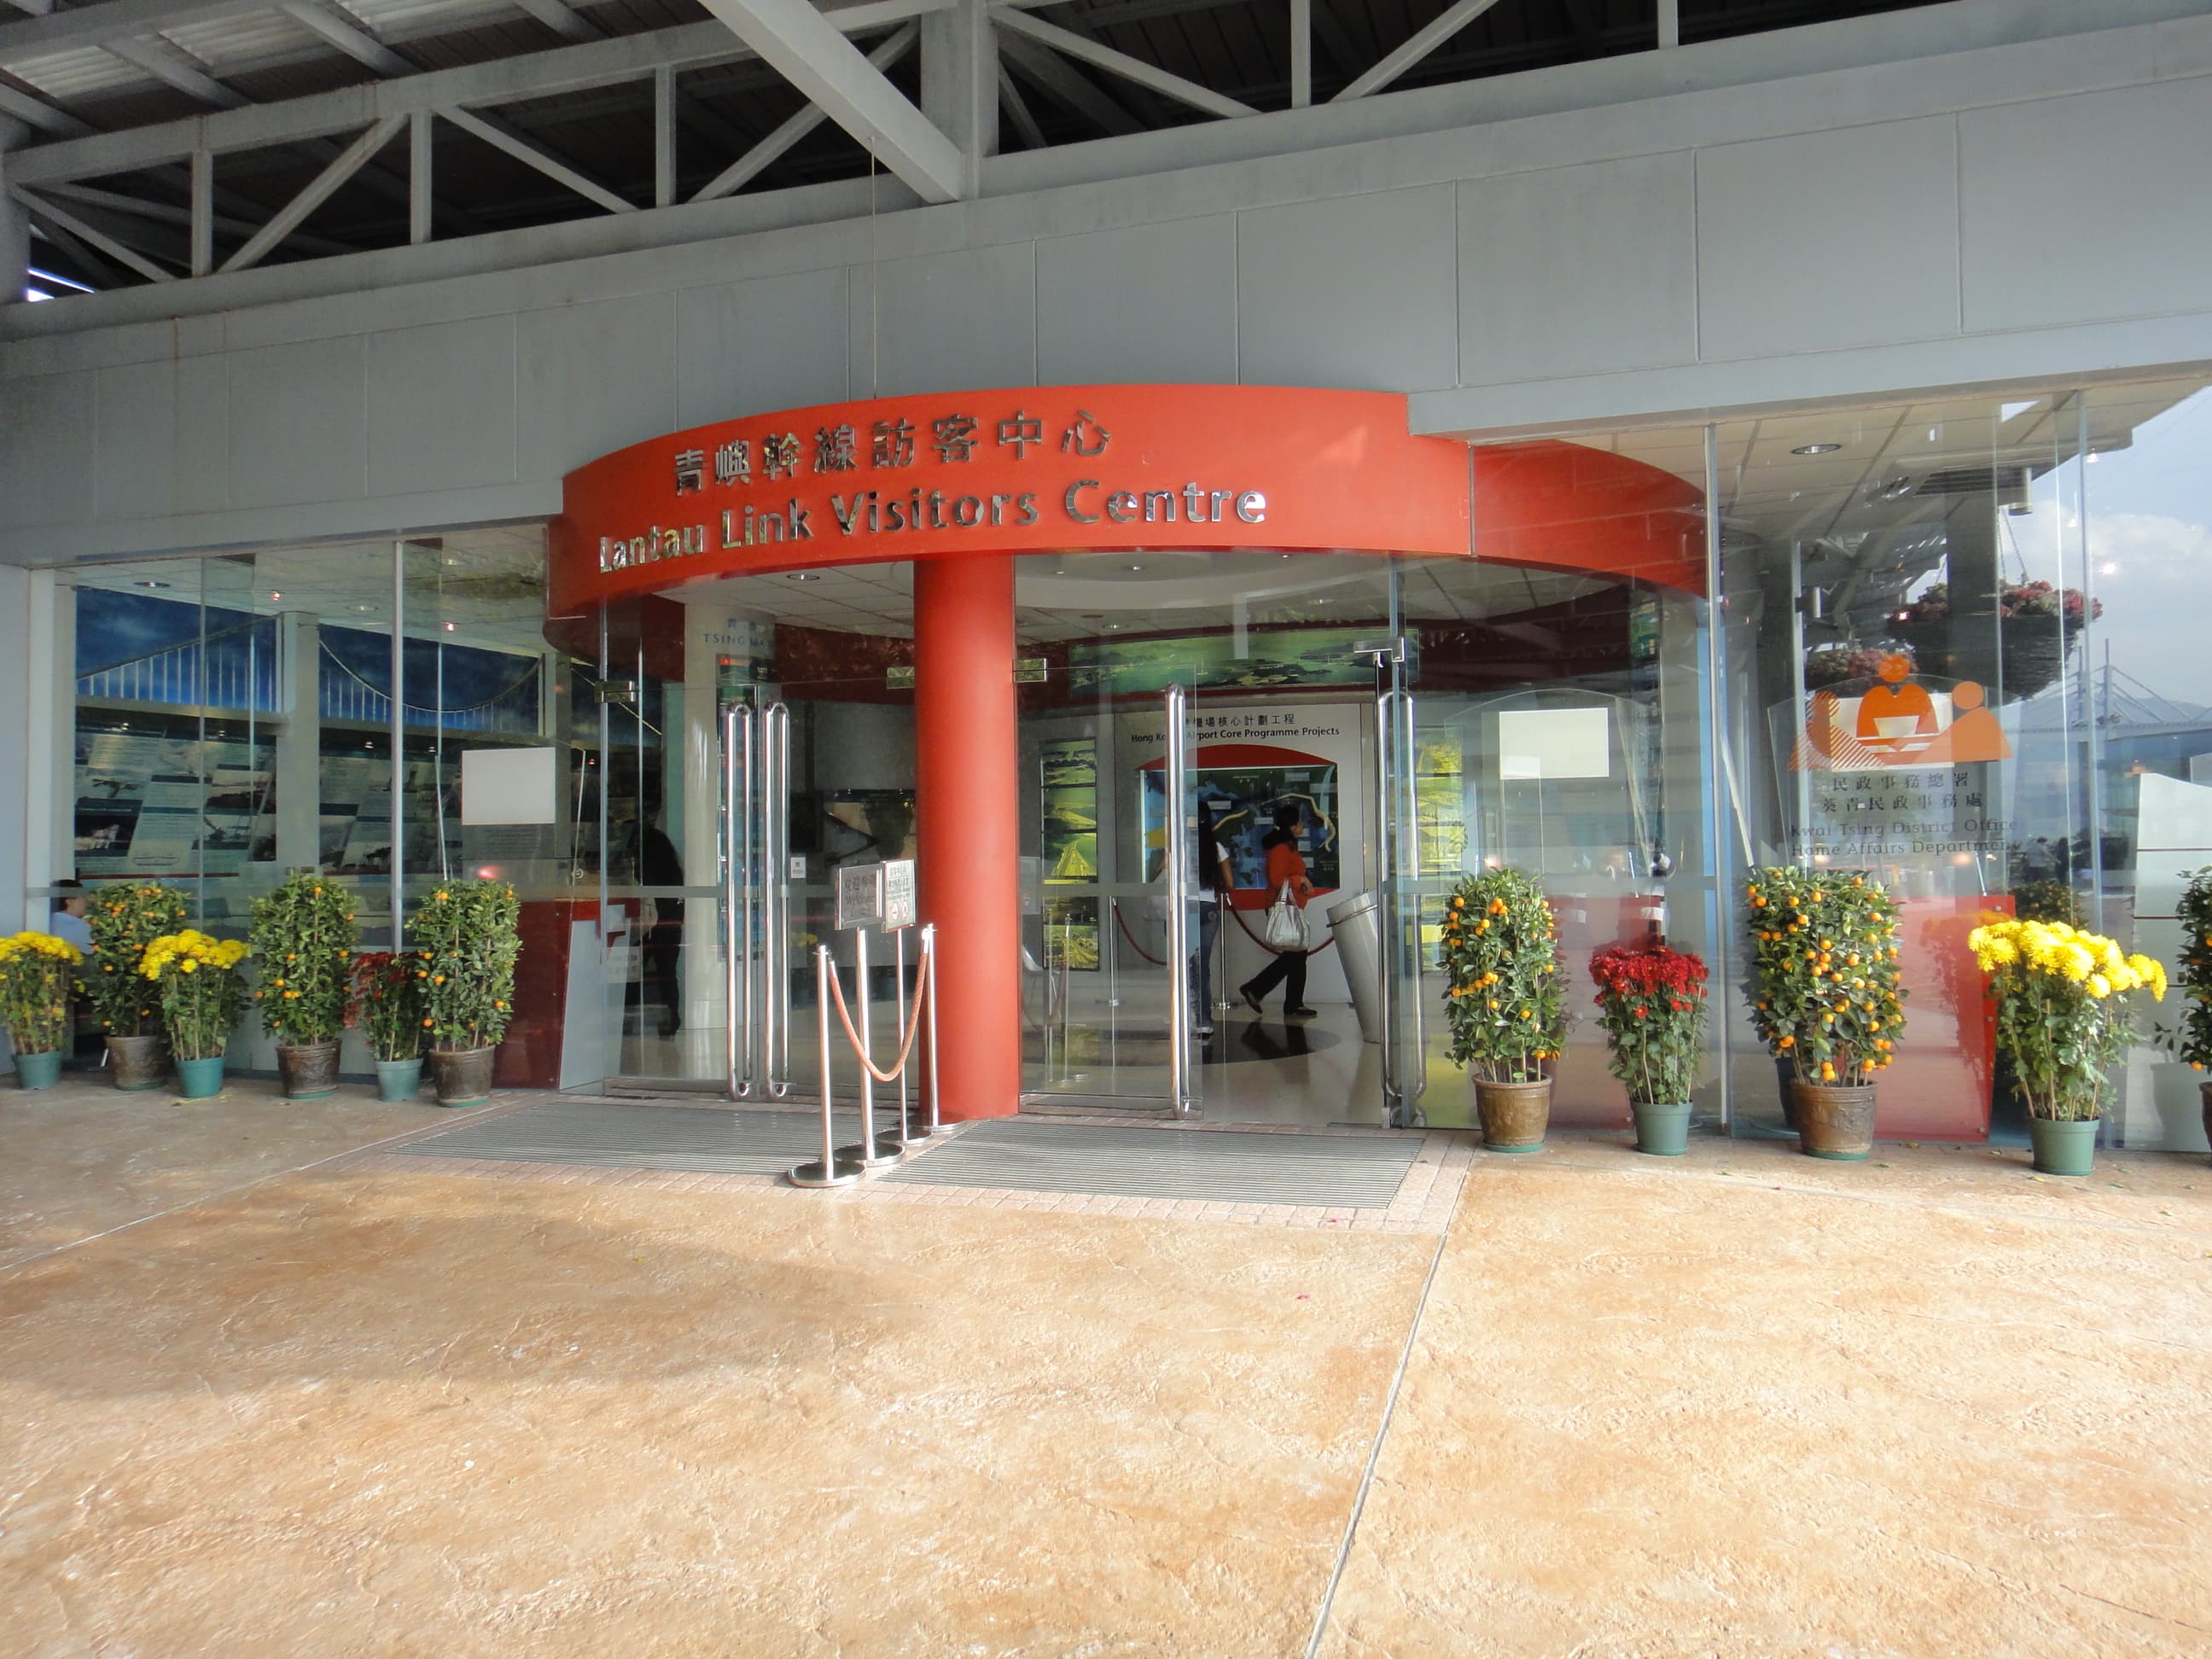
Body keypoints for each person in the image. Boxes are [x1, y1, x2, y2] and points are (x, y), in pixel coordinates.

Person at [1238, 803, 1316, 1020]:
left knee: (1297, 955)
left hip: (1291, 906)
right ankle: (1259, 990)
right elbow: (1275, 879)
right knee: (1296, 955)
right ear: (1292, 826)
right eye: (1300, 822)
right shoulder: (1281, 848)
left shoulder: (1287, 845)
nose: (1302, 826)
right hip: (1283, 907)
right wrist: (1299, 879)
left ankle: (1290, 1002)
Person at [631, 800, 685, 1039]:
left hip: (646, 923)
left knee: (632, 974)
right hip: (670, 921)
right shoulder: (664, 847)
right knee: (667, 973)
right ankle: (670, 1024)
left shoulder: (639, 848)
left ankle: (626, 1024)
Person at [1190, 802, 1233, 1039]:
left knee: (1186, 966)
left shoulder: (1182, 845)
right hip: (1208, 909)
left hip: (1185, 910)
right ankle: (1205, 1021)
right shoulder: (1217, 848)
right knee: (1202, 966)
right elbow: (1230, 884)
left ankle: (1187, 1016)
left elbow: (1159, 872)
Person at [47, 879, 91, 953]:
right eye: (83, 898)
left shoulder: (46, 922)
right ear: (70, 902)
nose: (86, 902)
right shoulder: (82, 928)